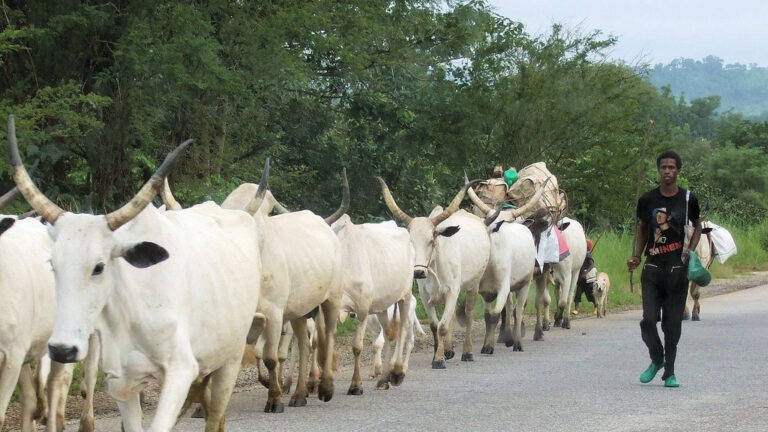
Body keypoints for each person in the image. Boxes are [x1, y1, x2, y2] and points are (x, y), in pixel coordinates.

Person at [627, 150, 701, 388]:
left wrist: (690, 248)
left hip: (678, 271)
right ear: (658, 170)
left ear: (678, 170)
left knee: (672, 325)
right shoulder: (647, 200)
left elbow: (697, 227)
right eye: (663, 167)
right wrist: (636, 256)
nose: (667, 171)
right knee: (648, 321)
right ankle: (657, 358)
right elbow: (642, 230)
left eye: (672, 167)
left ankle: (670, 373)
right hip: (652, 269)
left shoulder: (688, 199)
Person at [573, 239, 597, 315]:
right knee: (577, 294)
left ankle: (596, 306)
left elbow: (592, 264)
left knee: (590, 295)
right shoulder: (580, 254)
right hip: (580, 279)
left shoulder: (587, 255)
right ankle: (576, 309)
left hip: (587, 280)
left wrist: (586, 273)